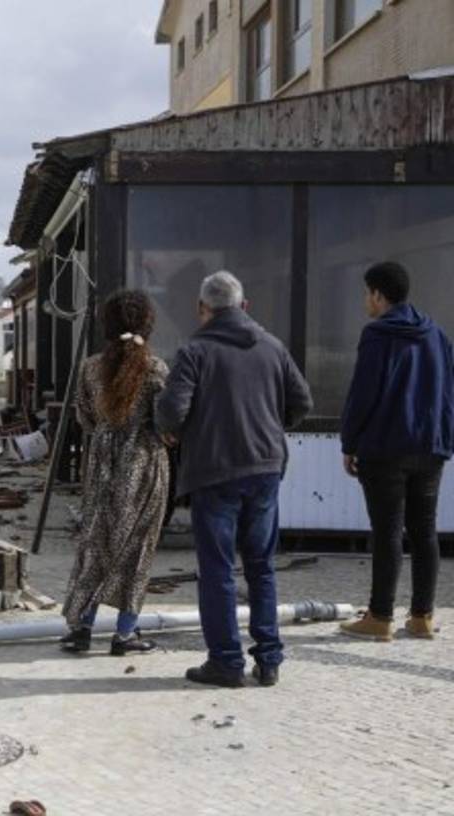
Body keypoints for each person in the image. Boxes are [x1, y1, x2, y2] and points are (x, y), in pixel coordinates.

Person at [157, 271, 312, 688]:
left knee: (218, 570)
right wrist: (270, 426)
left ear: (202, 309)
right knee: (261, 567)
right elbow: (302, 402)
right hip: (265, 468)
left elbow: (171, 411)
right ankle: (269, 660)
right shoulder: (273, 347)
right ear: (244, 306)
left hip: (214, 471)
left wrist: (175, 431)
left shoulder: (195, 351)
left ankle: (226, 662)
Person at [338, 262, 453, 641]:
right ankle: (422, 617)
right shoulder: (436, 334)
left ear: (378, 294)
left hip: (385, 448)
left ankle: (380, 616)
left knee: (387, 532)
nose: (365, 301)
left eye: (366, 293)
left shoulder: (377, 334)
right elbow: (448, 392)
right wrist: (444, 440)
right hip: (429, 448)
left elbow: (363, 394)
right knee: (424, 532)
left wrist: (349, 443)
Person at [60, 290, 170, 657]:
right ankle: (124, 634)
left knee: (96, 543)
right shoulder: (156, 369)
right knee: (137, 546)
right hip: (144, 463)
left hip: (102, 464)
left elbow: (84, 418)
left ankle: (81, 628)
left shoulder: (90, 368)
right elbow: (166, 421)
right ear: (147, 324)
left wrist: (107, 431)